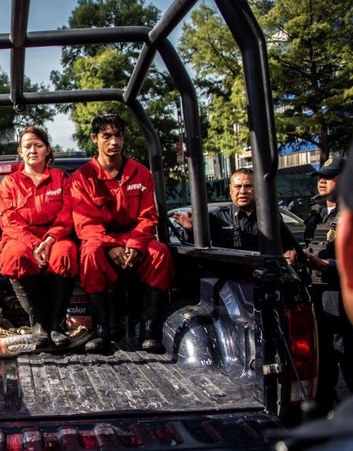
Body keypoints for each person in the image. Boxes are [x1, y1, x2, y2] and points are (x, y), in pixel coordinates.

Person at [70, 112, 174, 355]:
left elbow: (148, 216)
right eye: (106, 136)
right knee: (90, 253)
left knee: (161, 253)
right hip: (103, 242)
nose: (113, 142)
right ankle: (101, 331)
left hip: (136, 240)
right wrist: (110, 246)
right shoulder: (81, 178)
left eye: (118, 136)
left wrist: (136, 244)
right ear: (95, 138)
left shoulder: (141, 174)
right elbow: (85, 223)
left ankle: (149, 330)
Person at [0, 126, 78, 348]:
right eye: (27, 146)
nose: (33, 150)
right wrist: (34, 245)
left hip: (55, 237)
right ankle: (38, 324)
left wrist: (49, 240)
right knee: (15, 256)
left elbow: (67, 214)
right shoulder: (9, 183)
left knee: (66, 254)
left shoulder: (61, 179)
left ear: (48, 150)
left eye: (38, 145)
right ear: (20, 151)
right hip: (21, 238)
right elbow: (9, 222)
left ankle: (55, 325)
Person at [301, 157, 352, 418]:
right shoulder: (317, 211)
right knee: (322, 355)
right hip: (315, 291)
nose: (322, 181)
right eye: (320, 176)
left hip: (339, 293)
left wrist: (325, 264)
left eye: (329, 176)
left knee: (343, 353)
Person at [172, 168, 304, 263]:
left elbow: (288, 244)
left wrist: (289, 253)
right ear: (230, 189)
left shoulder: (270, 216)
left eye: (248, 186)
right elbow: (191, 248)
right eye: (238, 187)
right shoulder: (218, 217)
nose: (242, 191)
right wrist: (191, 229)